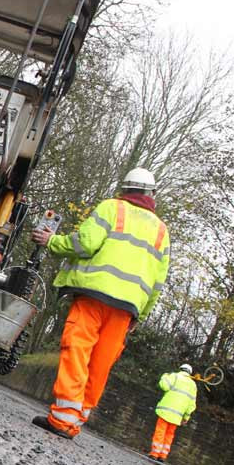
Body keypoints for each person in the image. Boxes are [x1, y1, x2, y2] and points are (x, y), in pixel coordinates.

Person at [29, 168, 171, 439]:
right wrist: (140, 316)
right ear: (151, 194)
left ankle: (62, 420)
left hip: (94, 295)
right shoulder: (162, 231)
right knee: (101, 362)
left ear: (125, 190)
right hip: (127, 309)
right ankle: (76, 420)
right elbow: (157, 284)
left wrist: (52, 241)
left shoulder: (112, 208)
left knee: (77, 351)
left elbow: (86, 244)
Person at [149, 364, 197, 461]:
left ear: (180, 369)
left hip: (165, 410)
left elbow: (164, 386)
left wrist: (165, 376)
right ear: (190, 373)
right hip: (178, 416)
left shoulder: (174, 376)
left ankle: (155, 453)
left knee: (160, 431)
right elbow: (192, 404)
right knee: (169, 435)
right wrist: (186, 417)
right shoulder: (193, 385)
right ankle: (163, 455)